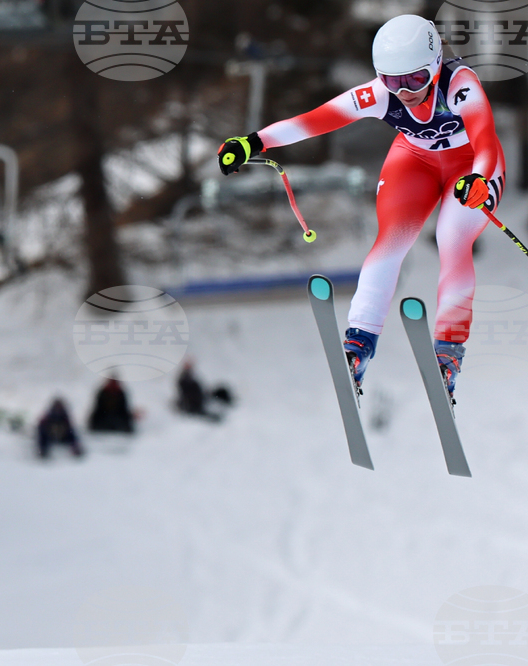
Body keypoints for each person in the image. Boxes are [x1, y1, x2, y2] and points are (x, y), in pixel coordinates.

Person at [217, 14, 506, 398]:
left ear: (435, 65)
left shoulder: (461, 85)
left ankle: (449, 351)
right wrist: (253, 142)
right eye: (392, 81)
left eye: (415, 80)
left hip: (471, 166)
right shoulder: (379, 94)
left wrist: (481, 180)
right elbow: (315, 121)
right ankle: (359, 343)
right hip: (415, 160)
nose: (404, 92)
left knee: (452, 237)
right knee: (390, 241)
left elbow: (485, 139)